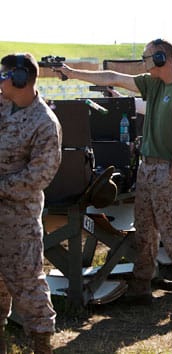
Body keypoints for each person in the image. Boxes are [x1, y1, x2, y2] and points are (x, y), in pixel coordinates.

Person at [56, 39, 172, 322]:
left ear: (163, 58)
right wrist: (72, 72)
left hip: (165, 170)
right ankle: (141, 287)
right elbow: (113, 77)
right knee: (145, 231)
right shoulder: (156, 85)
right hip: (148, 169)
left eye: (148, 57)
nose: (144, 62)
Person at [0, 53, 61, 353]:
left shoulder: (44, 123)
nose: (0, 81)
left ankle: (41, 341)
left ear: (21, 79)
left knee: (27, 281)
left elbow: (40, 174)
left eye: (3, 76)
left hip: (19, 217)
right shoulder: (2, 105)